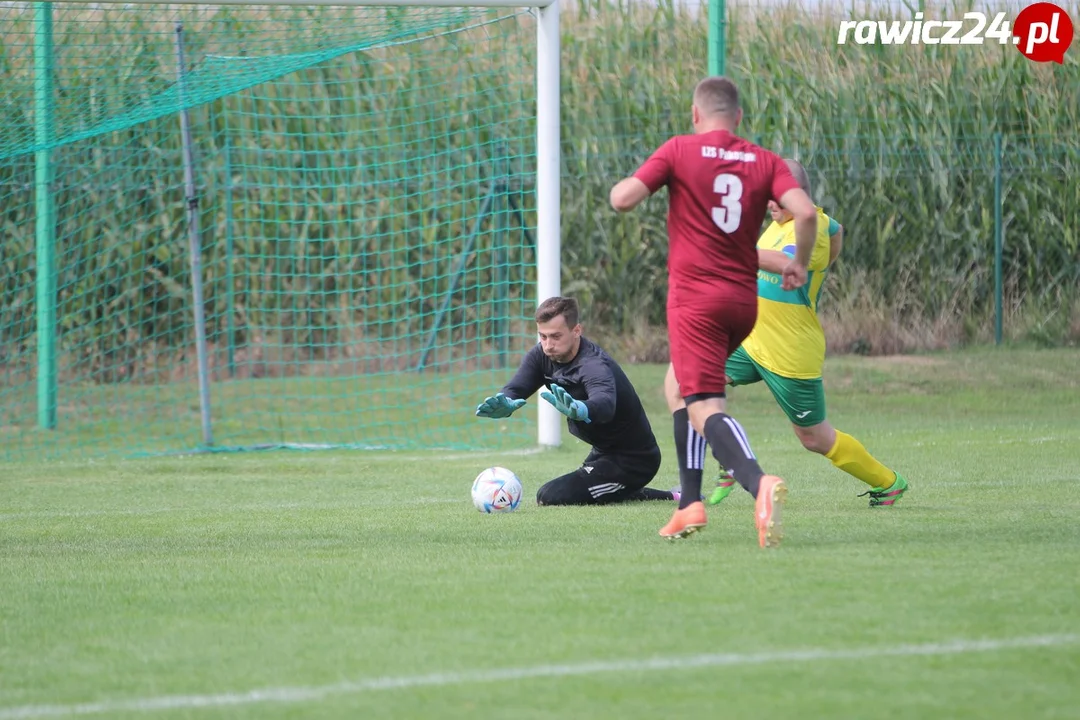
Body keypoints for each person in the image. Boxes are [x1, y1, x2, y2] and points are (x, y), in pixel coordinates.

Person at [609, 76, 819, 548]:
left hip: (695, 303)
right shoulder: (764, 160)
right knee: (677, 387)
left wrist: (627, 188)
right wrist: (798, 265)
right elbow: (804, 214)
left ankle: (756, 481)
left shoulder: (680, 150)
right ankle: (689, 503)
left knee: (704, 406)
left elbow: (623, 199)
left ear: (695, 114)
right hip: (743, 303)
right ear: (739, 118)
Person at [666, 159, 910, 509]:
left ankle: (888, 483)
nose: (768, 204)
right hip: (749, 341)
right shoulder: (782, 222)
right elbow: (838, 230)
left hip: (790, 352)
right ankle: (731, 459)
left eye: (776, 198)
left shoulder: (812, 228)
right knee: (683, 385)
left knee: (814, 437)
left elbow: (786, 260)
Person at [474, 296, 674, 506]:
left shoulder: (593, 364)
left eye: (555, 336)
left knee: (550, 496)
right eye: (542, 336)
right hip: (604, 453)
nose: (548, 345)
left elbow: (605, 404)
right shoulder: (540, 356)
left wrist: (582, 409)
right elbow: (517, 387)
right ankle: (670, 495)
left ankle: (652, 492)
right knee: (579, 490)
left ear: (576, 330)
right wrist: (506, 401)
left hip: (635, 459)